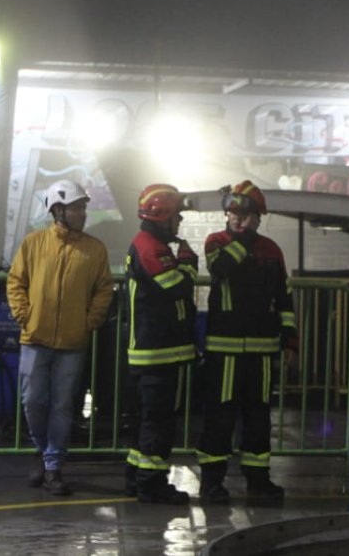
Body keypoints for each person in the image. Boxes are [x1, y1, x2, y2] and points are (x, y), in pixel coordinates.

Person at [6, 179, 113, 496]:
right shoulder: (33, 244)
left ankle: (53, 466)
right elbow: (16, 282)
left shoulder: (94, 250)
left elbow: (104, 289)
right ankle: (42, 449)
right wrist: (25, 316)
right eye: (76, 208)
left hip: (72, 344)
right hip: (35, 339)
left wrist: (88, 322)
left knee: (63, 406)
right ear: (57, 211)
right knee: (32, 401)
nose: (82, 213)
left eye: (83, 207)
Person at [196, 180, 297, 505]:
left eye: (245, 214)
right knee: (220, 416)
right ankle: (212, 482)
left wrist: (290, 339)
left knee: (258, 417)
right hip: (223, 348)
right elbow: (222, 267)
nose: (237, 219)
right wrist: (244, 239)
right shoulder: (217, 242)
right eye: (233, 213)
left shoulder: (271, 250)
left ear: (258, 216)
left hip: (263, 349)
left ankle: (259, 481)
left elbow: (284, 297)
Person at [124, 183, 199, 505]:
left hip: (155, 351)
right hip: (158, 353)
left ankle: (137, 477)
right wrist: (188, 264)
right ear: (162, 215)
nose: (179, 220)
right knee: (159, 422)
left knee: (148, 420)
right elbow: (176, 287)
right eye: (177, 214)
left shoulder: (149, 243)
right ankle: (152, 485)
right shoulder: (150, 247)